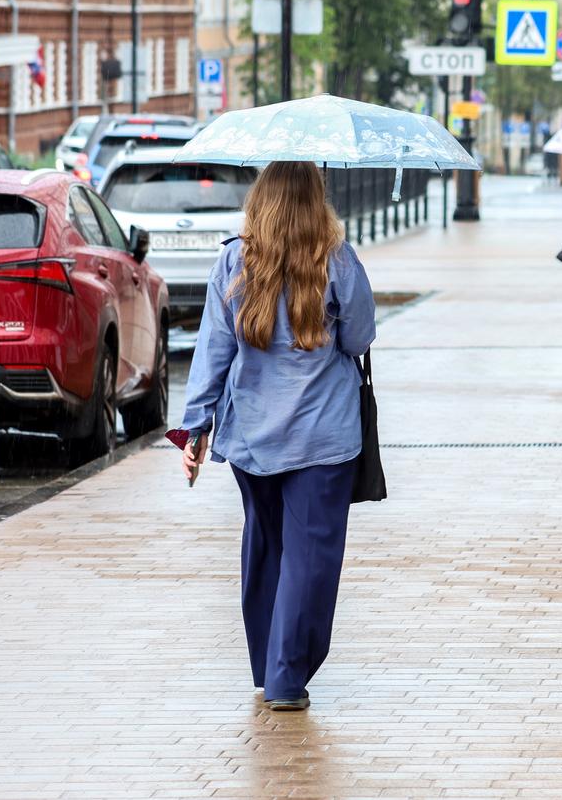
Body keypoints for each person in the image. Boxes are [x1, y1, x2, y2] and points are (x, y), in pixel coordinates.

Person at [176, 160, 376, 712]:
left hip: (252, 438)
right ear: (318, 201)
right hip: (322, 438)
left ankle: (270, 665)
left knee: (265, 548)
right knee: (309, 557)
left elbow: (212, 351)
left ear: (259, 201)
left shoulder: (234, 261)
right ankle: (287, 677)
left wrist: (195, 428)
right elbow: (358, 339)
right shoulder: (337, 259)